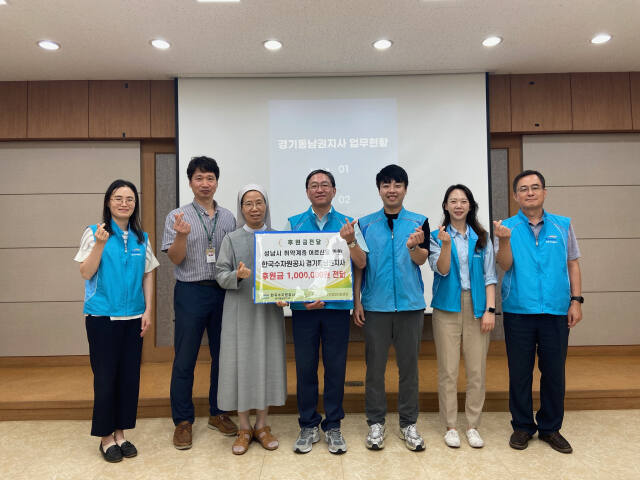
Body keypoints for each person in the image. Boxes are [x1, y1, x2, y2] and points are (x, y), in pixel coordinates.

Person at [494, 169, 583, 454]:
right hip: (519, 310)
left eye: (535, 187)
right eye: (523, 188)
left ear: (545, 192)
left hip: (556, 310)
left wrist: (576, 300)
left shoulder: (562, 225)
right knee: (519, 372)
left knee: (554, 372)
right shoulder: (507, 227)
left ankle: (550, 427)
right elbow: (504, 265)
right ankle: (522, 426)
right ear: (515, 195)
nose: (529, 192)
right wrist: (504, 240)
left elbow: (573, 263)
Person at [74, 179, 159, 463]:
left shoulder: (141, 237)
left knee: (129, 379)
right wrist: (99, 244)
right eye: (118, 197)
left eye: (130, 198)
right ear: (108, 202)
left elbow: (148, 274)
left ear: (135, 204)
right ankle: (105, 437)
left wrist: (148, 311)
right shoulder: (93, 233)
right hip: (102, 317)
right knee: (106, 378)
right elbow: (86, 273)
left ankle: (121, 433)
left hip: (133, 317)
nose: (124, 203)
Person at [285, 169, 367, 455]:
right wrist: (300, 296)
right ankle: (308, 424)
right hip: (304, 309)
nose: (319, 189)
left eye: (325, 185)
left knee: (335, 369)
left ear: (334, 190)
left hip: (337, 308)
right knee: (305, 369)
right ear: (307, 191)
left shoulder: (348, 224)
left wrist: (351, 240)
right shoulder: (293, 224)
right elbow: (288, 269)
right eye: (313, 185)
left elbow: (361, 263)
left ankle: (333, 426)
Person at [162, 156, 238, 450]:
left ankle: (218, 413)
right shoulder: (177, 216)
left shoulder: (229, 217)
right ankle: (183, 421)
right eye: (199, 178)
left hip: (222, 292)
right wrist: (181, 236)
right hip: (190, 291)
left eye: (210, 178)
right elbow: (175, 259)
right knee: (185, 358)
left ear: (217, 182)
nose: (205, 184)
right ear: (190, 182)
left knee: (222, 356)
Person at [353, 164, 430, 451]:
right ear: (379, 190)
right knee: (374, 368)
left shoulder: (419, 222)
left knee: (409, 368)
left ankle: (409, 423)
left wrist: (413, 246)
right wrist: (357, 300)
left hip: (410, 306)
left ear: (405, 189)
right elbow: (360, 263)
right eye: (386, 185)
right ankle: (376, 423)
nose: (392, 190)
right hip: (375, 306)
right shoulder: (365, 224)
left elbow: (422, 260)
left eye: (398, 184)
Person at [216, 184, 288, 455]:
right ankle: (244, 427)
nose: (255, 208)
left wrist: (287, 296)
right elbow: (220, 274)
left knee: (265, 364)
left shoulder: (279, 238)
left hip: (269, 312)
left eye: (259, 202)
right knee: (241, 365)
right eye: (249, 203)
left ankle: (262, 425)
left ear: (266, 206)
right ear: (241, 207)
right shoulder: (231, 239)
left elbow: (289, 275)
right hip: (239, 311)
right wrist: (237, 275)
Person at [428, 184, 497, 449]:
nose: (458, 205)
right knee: (448, 370)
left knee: (476, 370)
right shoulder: (436, 236)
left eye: (463, 201)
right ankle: (451, 426)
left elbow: (490, 276)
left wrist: (490, 310)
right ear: (445, 206)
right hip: (447, 307)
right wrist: (446, 246)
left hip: (477, 306)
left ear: (470, 205)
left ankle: (472, 425)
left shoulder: (481, 237)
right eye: (453, 201)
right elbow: (441, 269)